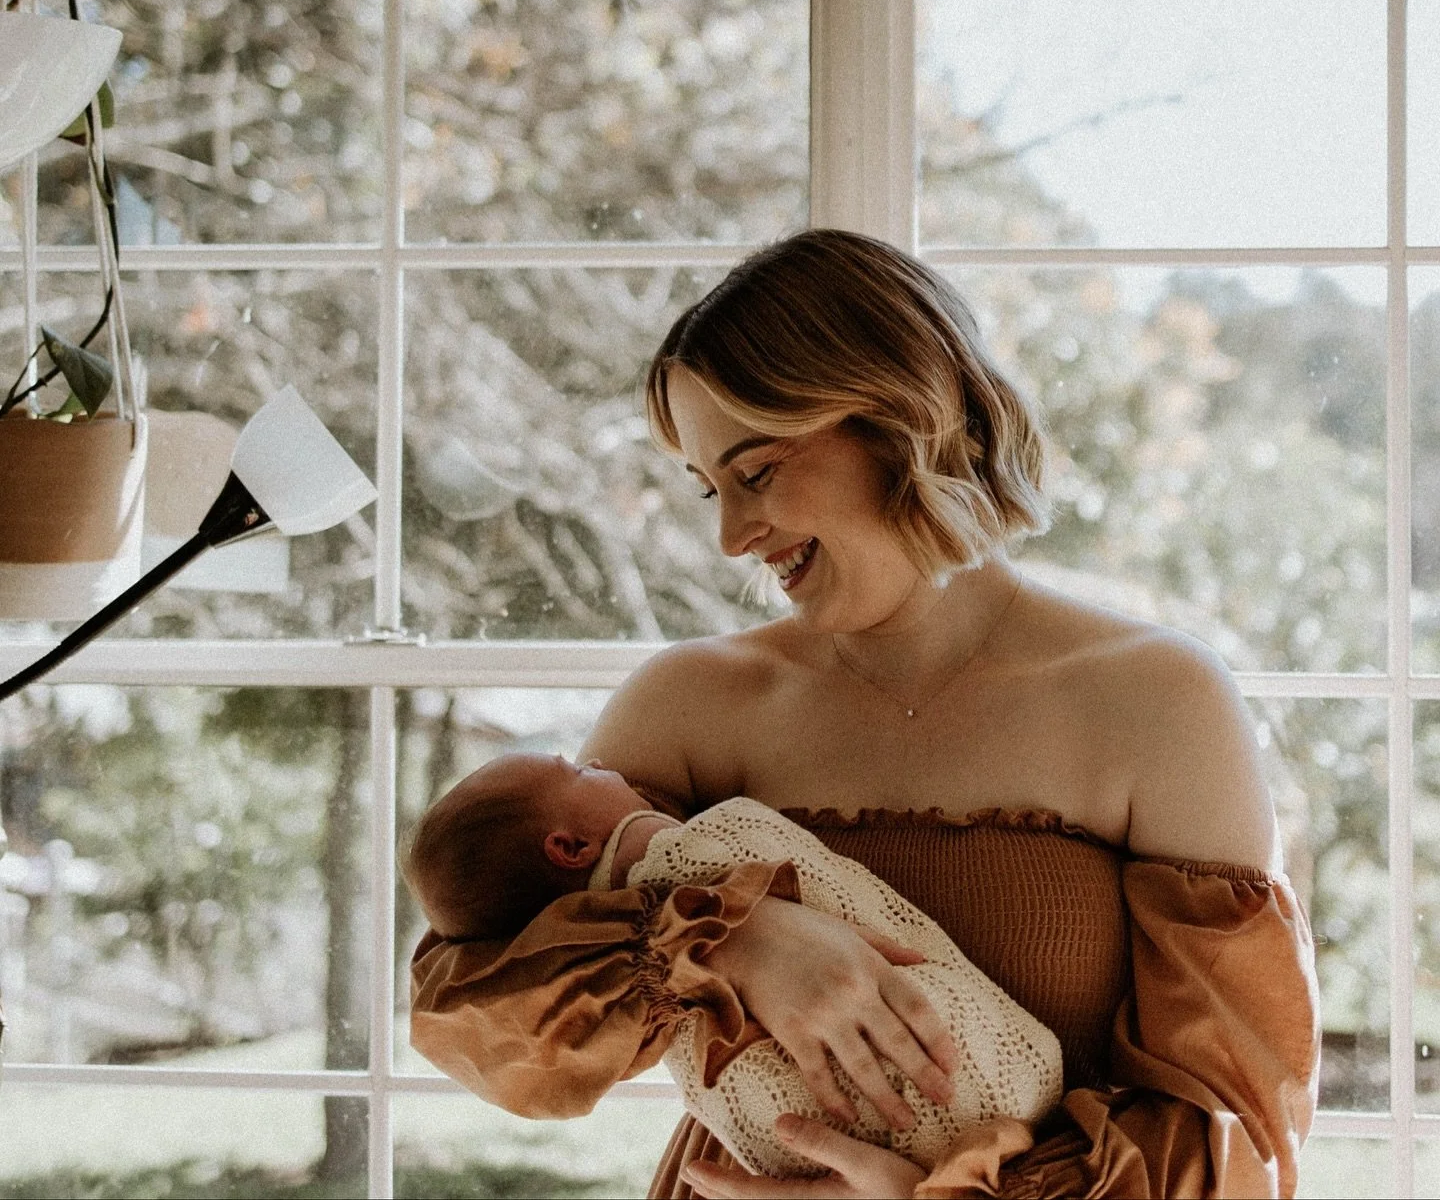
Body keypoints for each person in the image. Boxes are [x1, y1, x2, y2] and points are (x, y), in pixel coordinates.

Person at [411, 229, 1320, 1199]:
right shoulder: (686, 705)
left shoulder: (1158, 701)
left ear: (902, 419)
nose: (730, 537)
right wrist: (731, 938)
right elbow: (483, 1016)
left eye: (756, 472)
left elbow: (1232, 1139)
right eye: (710, 489)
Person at [403, 751, 1063, 1178]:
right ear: (570, 847)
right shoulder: (651, 824)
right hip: (982, 1111)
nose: (599, 760)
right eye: (576, 770)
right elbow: (471, 989)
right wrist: (720, 934)